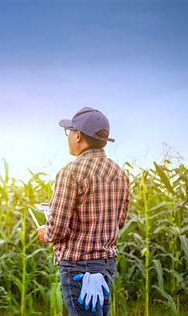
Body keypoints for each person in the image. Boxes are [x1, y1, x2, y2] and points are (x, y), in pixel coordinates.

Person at [36, 107, 130, 316]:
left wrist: (45, 232)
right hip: (105, 266)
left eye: (69, 132)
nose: (68, 137)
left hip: (78, 268)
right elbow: (119, 221)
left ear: (78, 135)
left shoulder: (70, 172)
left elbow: (58, 228)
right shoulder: (120, 173)